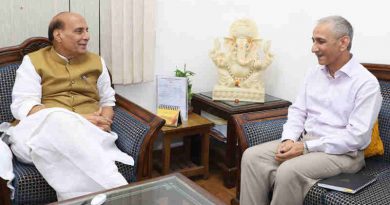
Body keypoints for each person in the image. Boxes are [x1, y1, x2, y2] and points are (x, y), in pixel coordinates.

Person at [240, 15, 383, 205]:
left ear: (343, 42)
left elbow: (356, 138)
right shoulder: (313, 73)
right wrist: (289, 139)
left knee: (289, 170)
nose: (313, 48)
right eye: (313, 40)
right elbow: (298, 111)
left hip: (344, 154)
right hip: (307, 143)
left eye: (320, 42)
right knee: (252, 156)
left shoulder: (366, 83)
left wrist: (305, 147)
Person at [6, 12, 133, 200]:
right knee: (56, 119)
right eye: (79, 31)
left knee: (69, 151)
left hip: (90, 134)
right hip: (37, 135)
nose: (87, 36)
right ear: (58, 35)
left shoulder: (97, 61)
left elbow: (108, 101)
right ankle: (121, 192)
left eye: (87, 30)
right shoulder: (33, 61)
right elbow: (24, 106)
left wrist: (104, 121)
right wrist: (78, 120)